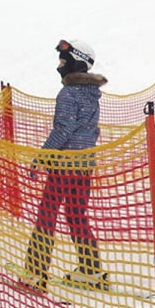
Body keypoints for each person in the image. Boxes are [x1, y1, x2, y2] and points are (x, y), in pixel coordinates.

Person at [22, 38, 107, 292]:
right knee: (75, 215)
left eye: (63, 60)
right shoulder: (92, 94)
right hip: (83, 167)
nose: (59, 66)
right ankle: (91, 270)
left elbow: (64, 128)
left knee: (46, 216)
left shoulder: (68, 93)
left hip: (64, 166)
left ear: (75, 63)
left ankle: (35, 273)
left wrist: (43, 156)